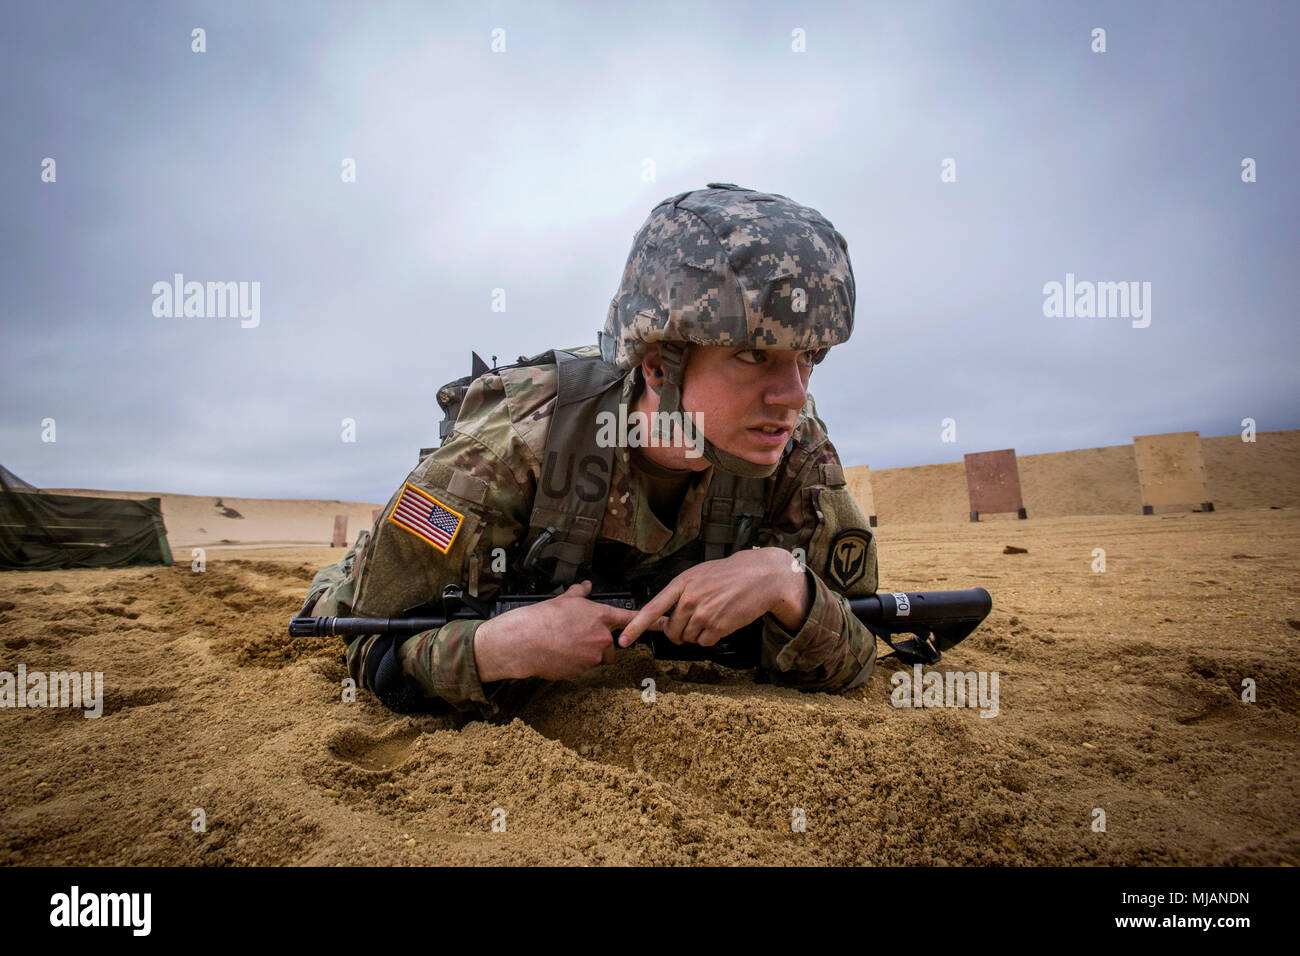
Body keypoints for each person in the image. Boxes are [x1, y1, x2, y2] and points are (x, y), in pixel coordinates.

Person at [302, 183, 880, 717]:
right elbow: (366, 639)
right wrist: (491, 651)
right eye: (755, 355)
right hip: (428, 577)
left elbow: (862, 645)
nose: (792, 395)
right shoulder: (510, 444)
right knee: (337, 591)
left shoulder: (793, 447)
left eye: (810, 357)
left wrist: (788, 584)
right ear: (659, 366)